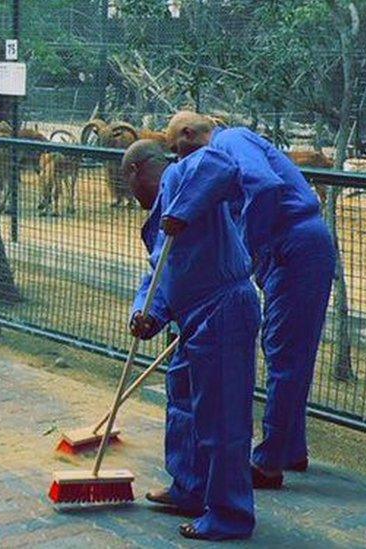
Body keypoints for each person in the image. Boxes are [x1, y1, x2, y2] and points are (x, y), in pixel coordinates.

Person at [167, 111, 337, 489]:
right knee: (284, 350)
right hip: (289, 247)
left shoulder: (228, 142)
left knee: (286, 354)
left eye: (179, 151)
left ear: (190, 133)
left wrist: (247, 253)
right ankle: (290, 448)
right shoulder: (222, 155)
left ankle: (269, 462)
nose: (181, 161)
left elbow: (263, 188)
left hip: (296, 244)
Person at [123, 139, 261, 540]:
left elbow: (221, 162)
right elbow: (158, 275)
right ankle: (189, 486)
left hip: (223, 307)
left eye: (127, 183)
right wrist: (145, 313)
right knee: (182, 401)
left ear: (136, 170)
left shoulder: (183, 175)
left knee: (223, 415)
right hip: (191, 316)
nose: (132, 198)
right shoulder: (156, 223)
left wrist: (183, 209)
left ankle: (229, 514)